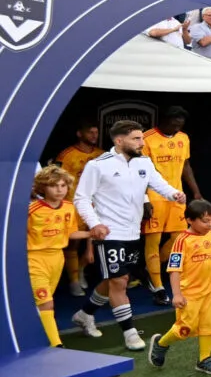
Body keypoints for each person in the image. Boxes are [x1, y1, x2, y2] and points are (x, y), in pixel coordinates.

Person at [72, 120, 187, 350]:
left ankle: (85, 313)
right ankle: (130, 333)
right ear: (119, 140)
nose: (142, 143)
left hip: (133, 232)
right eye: (136, 139)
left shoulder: (143, 162)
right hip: (109, 232)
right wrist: (95, 224)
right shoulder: (98, 165)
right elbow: (81, 198)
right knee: (120, 281)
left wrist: (174, 194)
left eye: (142, 138)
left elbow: (157, 183)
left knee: (115, 278)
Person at [147, 200, 211, 375]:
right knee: (184, 330)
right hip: (189, 294)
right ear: (189, 220)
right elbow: (174, 270)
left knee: (210, 325)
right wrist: (177, 294)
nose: (209, 225)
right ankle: (161, 343)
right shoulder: (181, 241)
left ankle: (204, 359)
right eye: (205, 221)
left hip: (210, 290)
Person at [141, 107, 201, 307]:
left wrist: (196, 192)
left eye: (180, 124)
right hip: (154, 196)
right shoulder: (147, 138)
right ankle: (158, 287)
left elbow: (186, 166)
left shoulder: (183, 138)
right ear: (164, 120)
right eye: (174, 123)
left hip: (177, 196)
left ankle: (151, 268)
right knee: (153, 241)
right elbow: (139, 172)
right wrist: (144, 199)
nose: (177, 127)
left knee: (179, 240)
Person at [28, 166, 87, 347]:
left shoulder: (69, 207)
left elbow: (70, 234)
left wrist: (92, 234)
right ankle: (57, 345)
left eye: (63, 185)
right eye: (54, 186)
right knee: (46, 304)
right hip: (34, 259)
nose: (60, 189)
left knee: (41, 304)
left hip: (57, 259)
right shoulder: (32, 209)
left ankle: (35, 340)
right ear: (43, 187)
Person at [53, 120, 104, 298]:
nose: (94, 136)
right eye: (90, 132)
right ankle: (74, 281)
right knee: (73, 244)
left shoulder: (101, 154)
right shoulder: (66, 155)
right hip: (73, 205)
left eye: (96, 132)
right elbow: (55, 179)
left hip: (97, 205)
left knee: (100, 241)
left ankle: (82, 269)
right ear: (79, 134)